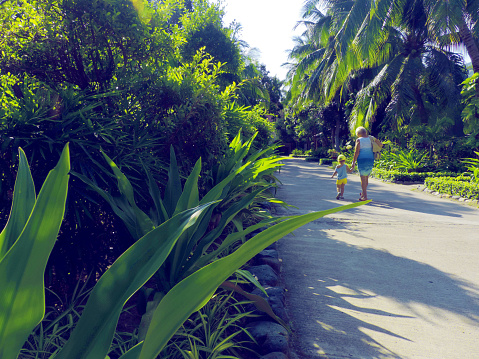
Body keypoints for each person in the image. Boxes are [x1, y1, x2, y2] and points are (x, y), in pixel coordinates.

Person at [351, 126, 383, 201]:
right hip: (370, 159)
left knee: (363, 178)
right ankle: (363, 193)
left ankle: (365, 196)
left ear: (358, 134)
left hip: (362, 159)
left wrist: (353, 162)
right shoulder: (371, 138)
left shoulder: (358, 140)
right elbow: (380, 144)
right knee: (366, 177)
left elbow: (356, 152)